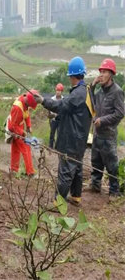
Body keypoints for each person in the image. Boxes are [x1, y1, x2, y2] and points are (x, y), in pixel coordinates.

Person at [33, 56, 93, 206]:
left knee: (65, 172)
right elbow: (73, 113)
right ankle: (76, 197)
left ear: (73, 76)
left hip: (71, 140)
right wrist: (57, 117)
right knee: (77, 168)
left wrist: (43, 101)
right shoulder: (86, 91)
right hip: (79, 139)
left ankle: (57, 203)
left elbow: (62, 106)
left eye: (69, 76)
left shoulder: (77, 93)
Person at [89, 58, 124, 200]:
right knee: (96, 161)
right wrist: (92, 86)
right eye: (100, 72)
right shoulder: (100, 91)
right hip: (97, 134)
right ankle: (95, 185)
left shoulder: (117, 92)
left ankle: (114, 191)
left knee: (111, 164)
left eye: (104, 72)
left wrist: (102, 120)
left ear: (111, 74)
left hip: (108, 135)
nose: (101, 75)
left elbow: (120, 113)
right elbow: (91, 102)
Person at [8, 90, 38, 176]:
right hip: (14, 128)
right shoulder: (17, 107)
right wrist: (22, 133)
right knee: (26, 148)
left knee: (16, 149)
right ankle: (30, 172)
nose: (30, 107)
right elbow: (13, 126)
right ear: (28, 101)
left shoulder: (25, 100)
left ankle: (14, 170)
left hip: (19, 126)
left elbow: (27, 115)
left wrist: (28, 126)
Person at [48, 83, 64, 148]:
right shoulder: (52, 99)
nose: (58, 92)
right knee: (52, 134)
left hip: (60, 120)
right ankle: (50, 147)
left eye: (59, 91)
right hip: (53, 120)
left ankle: (58, 147)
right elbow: (49, 109)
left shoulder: (63, 99)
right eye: (57, 90)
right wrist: (50, 117)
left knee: (59, 134)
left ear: (61, 91)